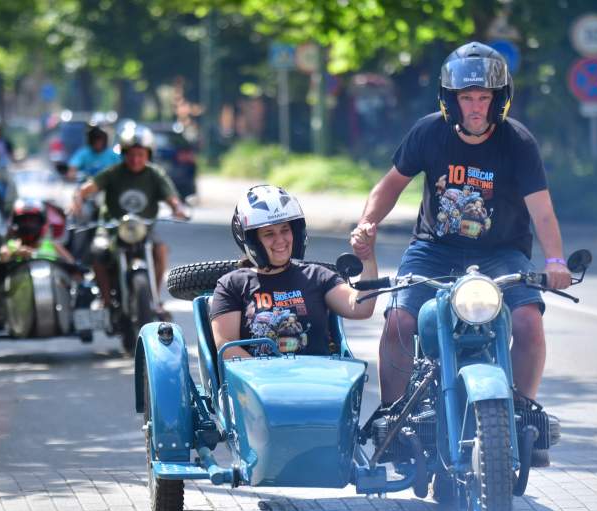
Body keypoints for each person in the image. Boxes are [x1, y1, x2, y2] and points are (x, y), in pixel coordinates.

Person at [349, 42, 570, 465]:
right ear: (451, 101)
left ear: (498, 100)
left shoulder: (518, 141)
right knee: (398, 321)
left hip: (501, 254)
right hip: (433, 249)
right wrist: (367, 223)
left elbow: (541, 211)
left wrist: (556, 262)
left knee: (528, 322)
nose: (475, 107)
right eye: (466, 98)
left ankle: (523, 416)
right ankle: (394, 423)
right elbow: (390, 185)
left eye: (483, 98)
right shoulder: (428, 132)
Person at [211, 185, 378, 359]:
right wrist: (269, 378)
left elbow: (360, 308)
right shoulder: (232, 284)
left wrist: (366, 256)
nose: (280, 240)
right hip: (259, 381)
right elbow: (226, 346)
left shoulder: (317, 276)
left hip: (318, 379)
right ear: (254, 241)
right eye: (269, 234)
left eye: (285, 230)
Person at [70, 124, 188, 313]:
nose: (135, 159)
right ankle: (106, 300)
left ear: (148, 155)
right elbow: (86, 189)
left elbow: (172, 198)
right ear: (123, 154)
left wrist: (178, 208)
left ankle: (155, 299)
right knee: (97, 252)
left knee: (161, 250)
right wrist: (77, 201)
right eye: (131, 154)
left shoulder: (155, 174)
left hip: (143, 230)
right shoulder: (113, 172)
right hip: (111, 229)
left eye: (140, 155)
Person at [0, 198, 75, 264]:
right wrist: (12, 254)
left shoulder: (52, 245)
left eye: (33, 221)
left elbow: (72, 265)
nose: (28, 225)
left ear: (42, 223)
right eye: (23, 220)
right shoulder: (10, 247)